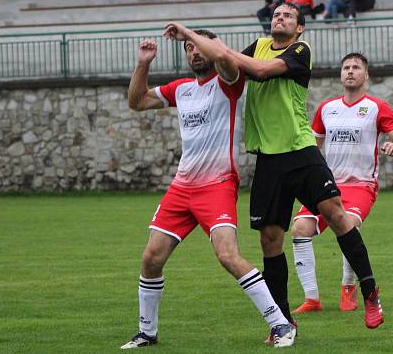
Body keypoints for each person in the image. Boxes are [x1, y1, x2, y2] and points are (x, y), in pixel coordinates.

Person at [163, 3, 386, 333]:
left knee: (336, 215)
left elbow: (258, 70)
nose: (279, 18)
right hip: (268, 158)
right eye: (277, 14)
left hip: (300, 151)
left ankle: (369, 292)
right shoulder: (258, 45)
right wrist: (207, 48)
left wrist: (193, 36)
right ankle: (283, 320)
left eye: (288, 16)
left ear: (299, 28)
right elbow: (229, 64)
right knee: (270, 239)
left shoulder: (300, 50)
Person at [122, 31, 295, 349]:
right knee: (151, 258)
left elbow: (226, 61)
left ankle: (281, 324)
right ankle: (147, 332)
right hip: (181, 187)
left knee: (228, 255)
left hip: (216, 185)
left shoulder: (229, 81)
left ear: (211, 49)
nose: (193, 52)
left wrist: (189, 31)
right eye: (188, 49)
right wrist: (143, 64)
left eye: (199, 47)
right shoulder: (182, 89)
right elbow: (136, 102)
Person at [291, 53, 393, 313]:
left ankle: (348, 286)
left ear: (366, 75)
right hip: (327, 184)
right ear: (340, 74)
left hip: (361, 186)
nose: (351, 71)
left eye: (356, 67)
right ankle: (312, 299)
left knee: (347, 224)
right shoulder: (327, 108)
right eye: (346, 67)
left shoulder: (377, 106)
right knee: (299, 228)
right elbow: (312, 145)